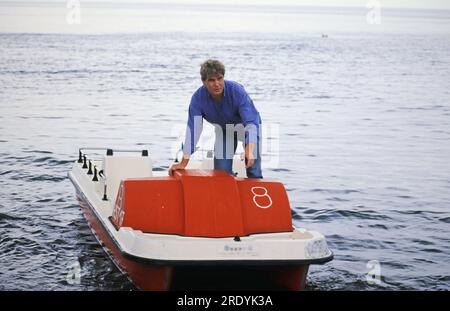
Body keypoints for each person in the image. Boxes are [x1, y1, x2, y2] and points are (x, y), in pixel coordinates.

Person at [169, 59, 263, 178]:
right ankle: (229, 190)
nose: (217, 84)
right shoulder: (198, 99)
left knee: (253, 170)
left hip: (248, 129)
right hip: (225, 131)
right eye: (211, 80)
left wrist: (249, 148)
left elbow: (251, 122)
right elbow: (193, 129)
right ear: (203, 81)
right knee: (221, 173)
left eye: (219, 78)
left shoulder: (237, 91)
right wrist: (184, 162)